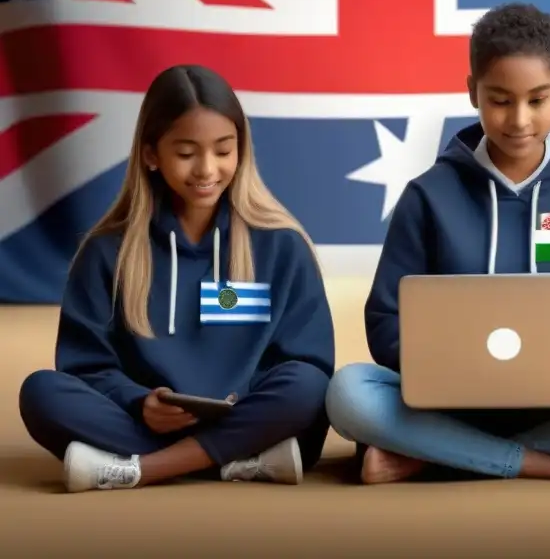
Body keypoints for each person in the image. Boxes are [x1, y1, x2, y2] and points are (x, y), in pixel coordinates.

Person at [326, 3, 550, 486]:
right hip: (452, 401)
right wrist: (455, 364)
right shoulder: (427, 196)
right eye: (500, 99)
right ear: (472, 91)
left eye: (537, 100)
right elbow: (385, 318)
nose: (519, 119)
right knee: (349, 392)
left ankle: (436, 455)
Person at [19, 65, 336, 493]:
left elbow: (308, 362)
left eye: (223, 150)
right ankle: (235, 462)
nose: (207, 169)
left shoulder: (282, 244)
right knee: (41, 393)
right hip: (153, 423)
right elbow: (84, 366)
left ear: (241, 149)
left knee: (308, 388)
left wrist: (242, 407)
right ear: (151, 154)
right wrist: (139, 401)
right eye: (186, 153)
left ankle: (143, 469)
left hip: (247, 416)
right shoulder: (105, 252)